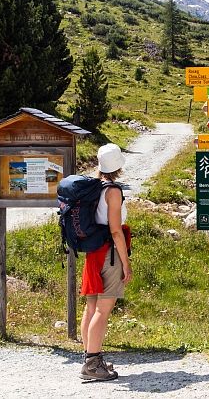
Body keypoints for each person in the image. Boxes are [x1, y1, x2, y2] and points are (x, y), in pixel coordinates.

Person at [80, 143, 133, 381]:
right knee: (103, 309)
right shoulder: (112, 191)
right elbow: (115, 230)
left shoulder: (92, 188)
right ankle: (93, 363)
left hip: (93, 253)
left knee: (91, 308)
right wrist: (126, 263)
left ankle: (90, 359)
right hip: (109, 254)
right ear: (118, 166)